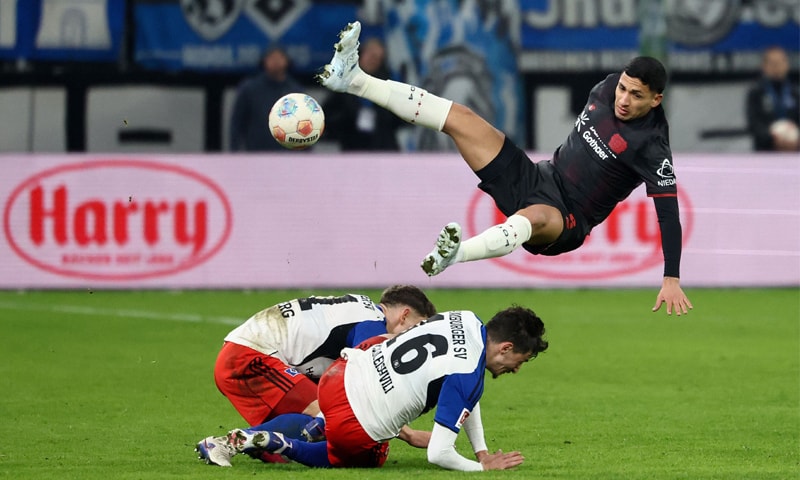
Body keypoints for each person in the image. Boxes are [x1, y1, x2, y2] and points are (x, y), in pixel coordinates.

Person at [317, 21, 692, 316]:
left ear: (657, 99)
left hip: (568, 218)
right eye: (624, 88)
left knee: (537, 216)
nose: (623, 99)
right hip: (538, 176)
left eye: (636, 95)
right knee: (460, 118)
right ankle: (354, 80)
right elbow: (610, 100)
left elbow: (669, 214)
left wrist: (671, 276)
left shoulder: (653, 147)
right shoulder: (608, 87)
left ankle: (456, 254)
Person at [195, 306, 549, 471]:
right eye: (521, 360)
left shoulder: (465, 318)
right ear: (505, 348)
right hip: (355, 421)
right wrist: (482, 468)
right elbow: (439, 454)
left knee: (333, 417)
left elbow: (468, 395)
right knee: (365, 455)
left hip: (340, 375)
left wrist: (482, 449)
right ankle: (271, 441)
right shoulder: (468, 375)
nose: (516, 369)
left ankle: (316, 425)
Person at [199, 285, 436, 458]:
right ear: (404, 315)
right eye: (418, 326)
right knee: (329, 417)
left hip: (245, 353)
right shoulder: (373, 322)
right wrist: (409, 435)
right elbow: (365, 394)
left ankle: (256, 446)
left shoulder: (360, 309)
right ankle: (222, 443)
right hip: (250, 356)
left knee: (286, 450)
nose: (411, 338)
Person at [321, 37, 402, 151]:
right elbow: (329, 115)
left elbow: (399, 118)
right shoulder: (343, 83)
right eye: (371, 56)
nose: (373, 60)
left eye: (378, 58)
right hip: (352, 146)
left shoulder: (387, 85)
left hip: (383, 147)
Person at [229, 45, 303, 151]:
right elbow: (237, 122)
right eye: (272, 58)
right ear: (264, 61)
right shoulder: (250, 89)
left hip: (287, 154)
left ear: (287, 61)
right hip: (256, 152)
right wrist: (234, 149)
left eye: (279, 58)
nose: (276, 62)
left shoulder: (295, 91)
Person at [745, 46, 800, 152]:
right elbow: (754, 123)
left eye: (780, 63)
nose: (776, 67)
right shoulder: (756, 92)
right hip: (765, 152)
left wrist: (795, 139)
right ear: (764, 66)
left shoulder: (795, 92)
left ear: (787, 65)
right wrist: (772, 138)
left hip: (794, 151)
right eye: (772, 63)